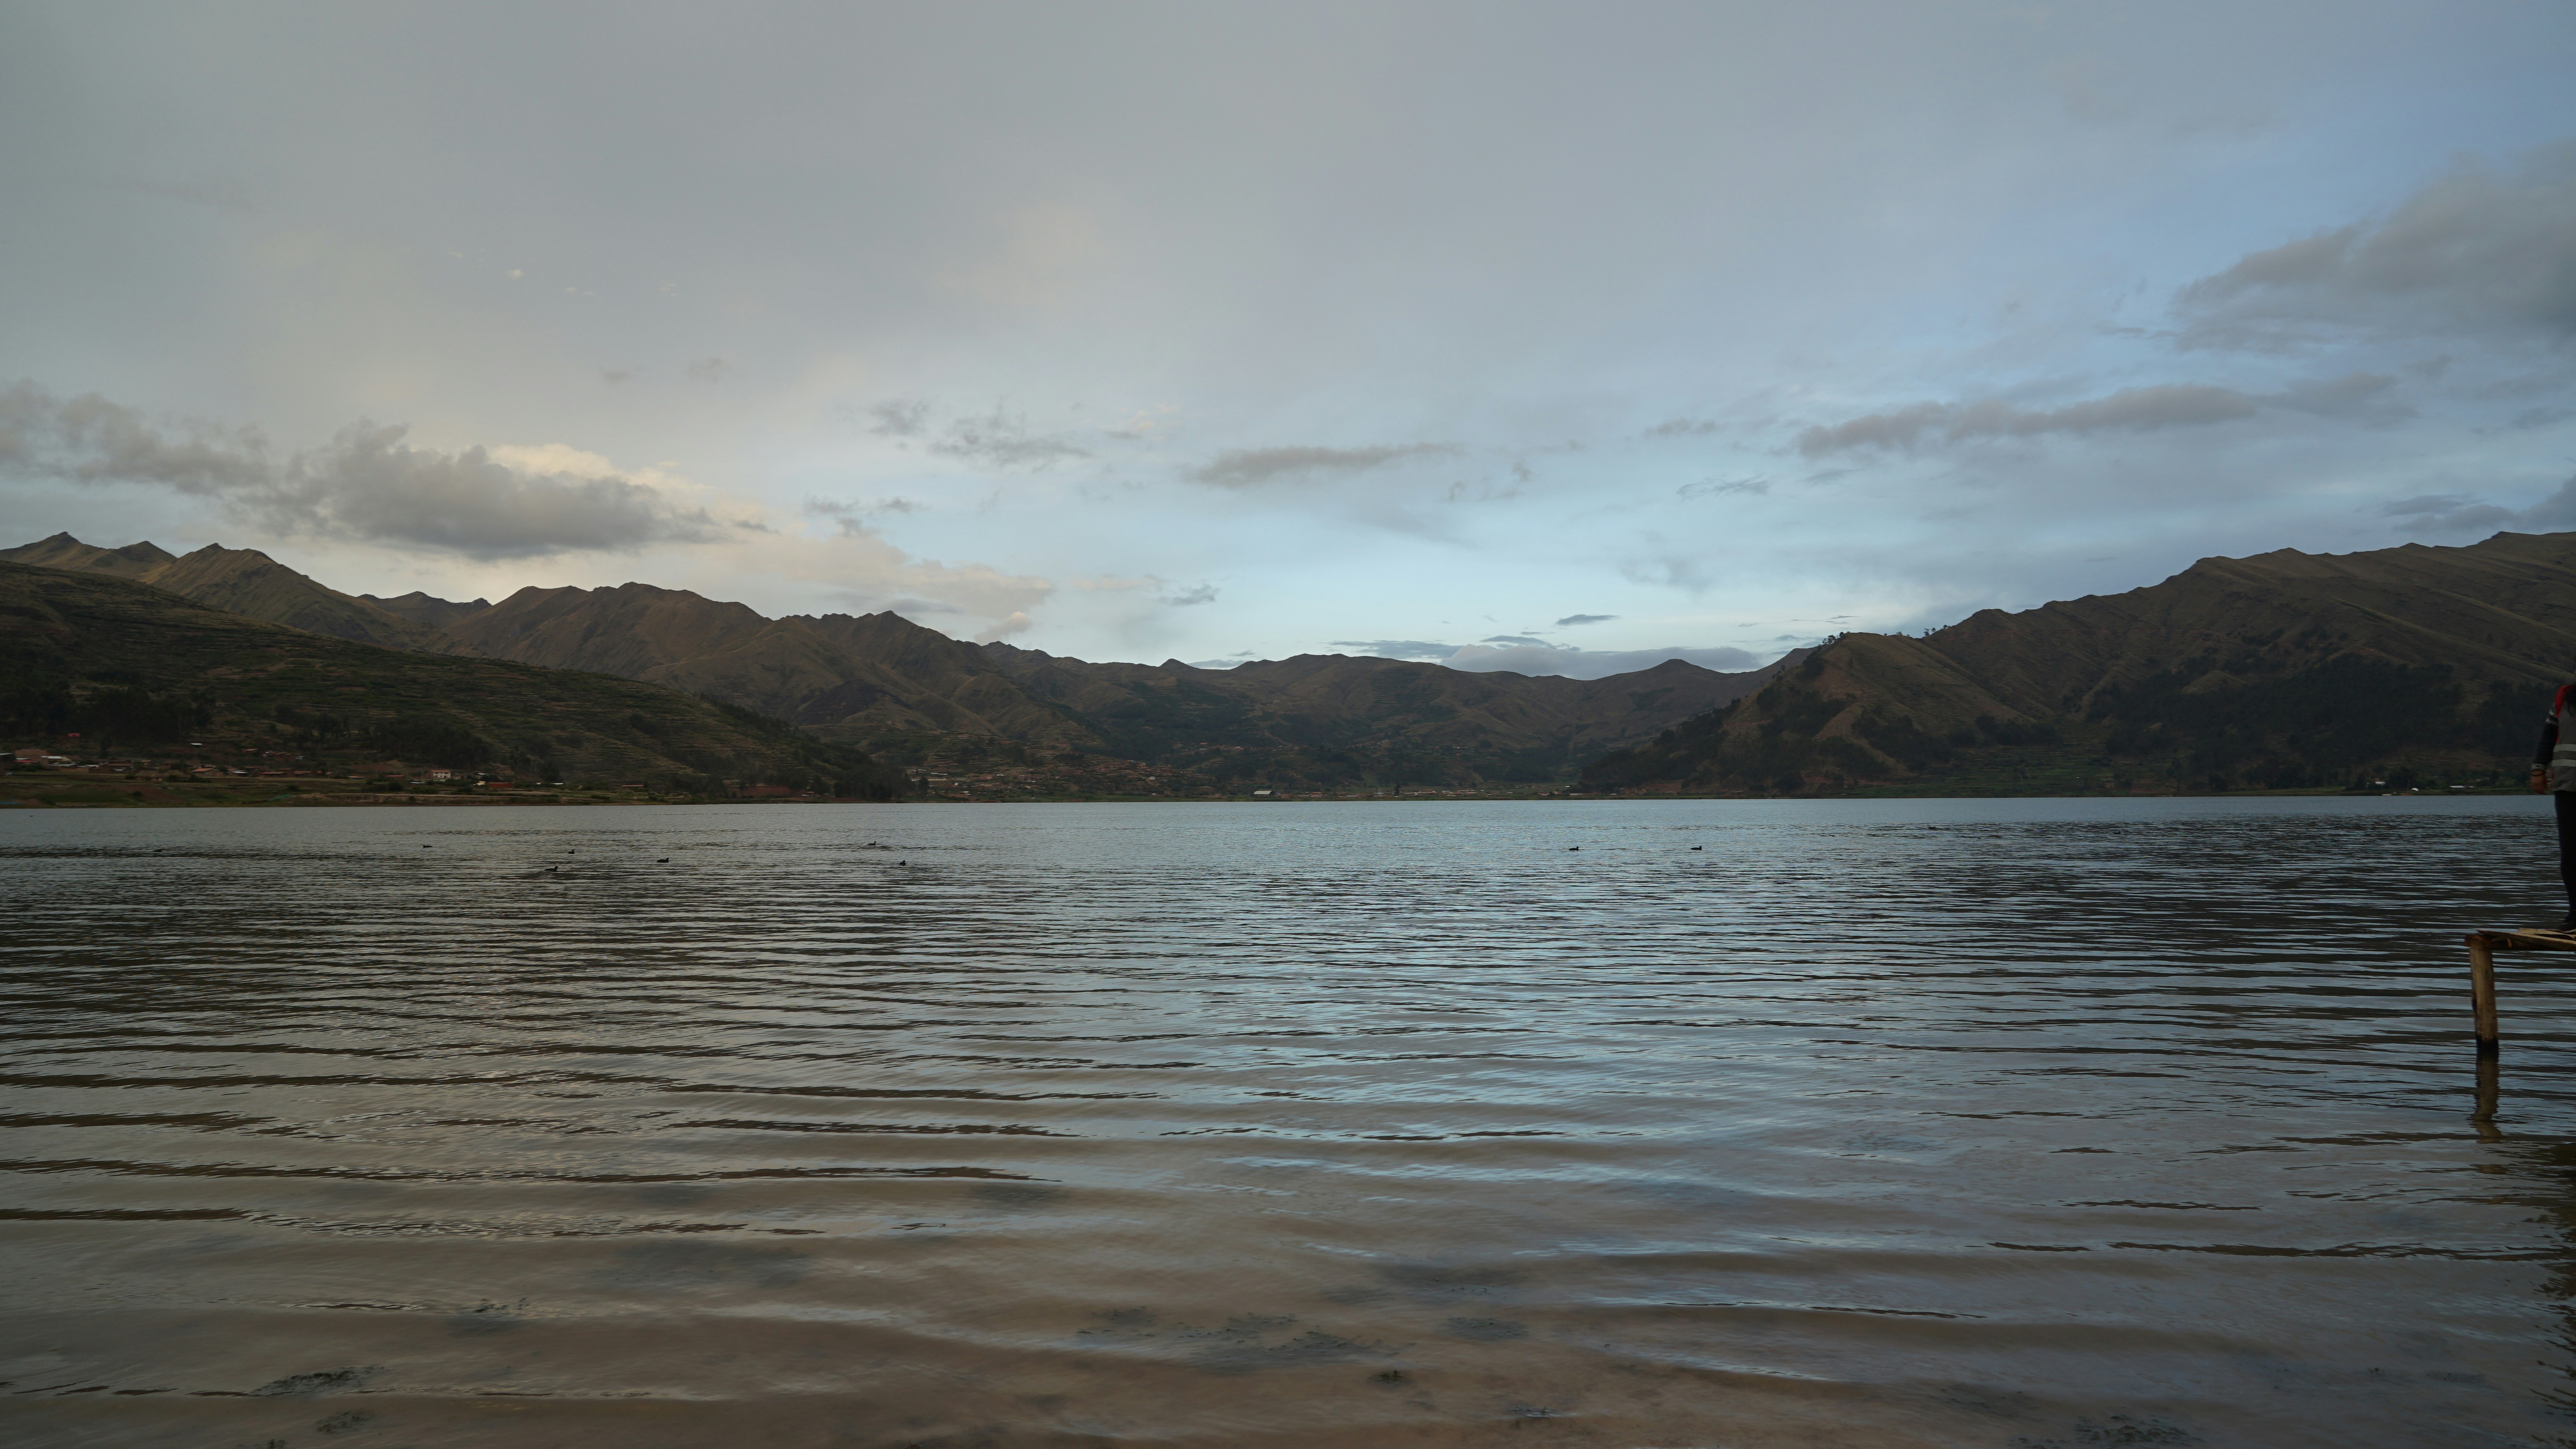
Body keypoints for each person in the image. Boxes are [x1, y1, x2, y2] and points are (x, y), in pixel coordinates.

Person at [2533, 683, 2576, 929]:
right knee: (2571, 854)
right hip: (2568, 786)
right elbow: (2548, 735)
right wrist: (2539, 768)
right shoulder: (2565, 697)